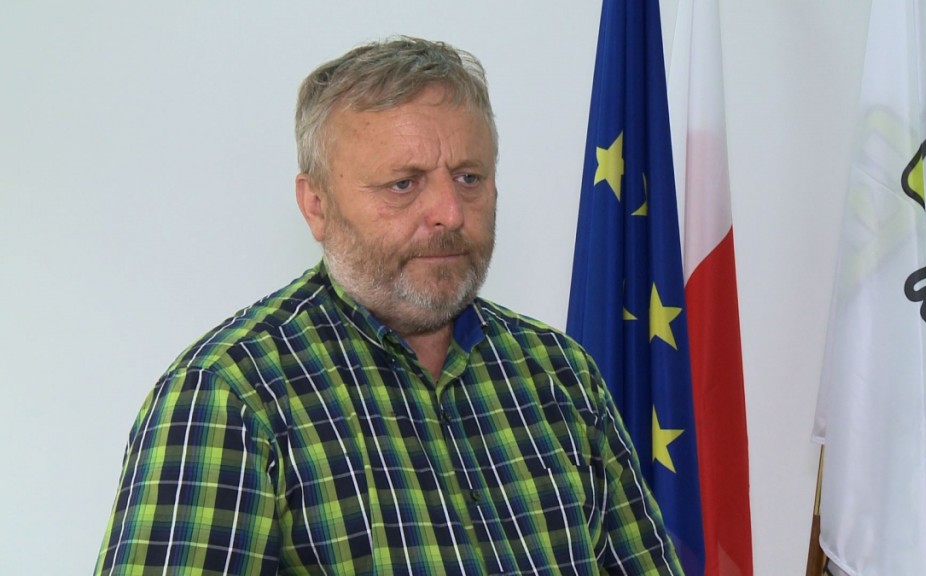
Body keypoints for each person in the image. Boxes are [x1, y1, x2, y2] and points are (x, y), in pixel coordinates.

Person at [94, 36, 683, 575]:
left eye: (469, 177)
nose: (449, 213)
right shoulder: (229, 397)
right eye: (404, 183)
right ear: (317, 205)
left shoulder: (560, 375)